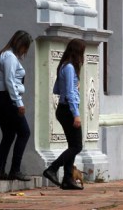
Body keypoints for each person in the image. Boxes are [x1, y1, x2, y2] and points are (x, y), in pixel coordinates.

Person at [0, 30, 33, 181]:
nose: (25, 51)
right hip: (5, 98)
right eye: (25, 47)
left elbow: (10, 81)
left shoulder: (5, 55)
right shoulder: (9, 57)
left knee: (9, 134)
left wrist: (20, 89)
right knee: (24, 132)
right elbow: (9, 81)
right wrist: (19, 102)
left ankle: (0, 170)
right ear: (21, 44)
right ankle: (15, 169)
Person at [43, 38, 85, 190]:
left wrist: (74, 85)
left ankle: (68, 179)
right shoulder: (69, 68)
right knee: (77, 146)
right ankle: (52, 169)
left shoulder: (64, 66)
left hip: (64, 109)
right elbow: (68, 93)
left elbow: (57, 89)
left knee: (72, 145)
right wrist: (76, 114)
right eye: (82, 52)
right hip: (68, 109)